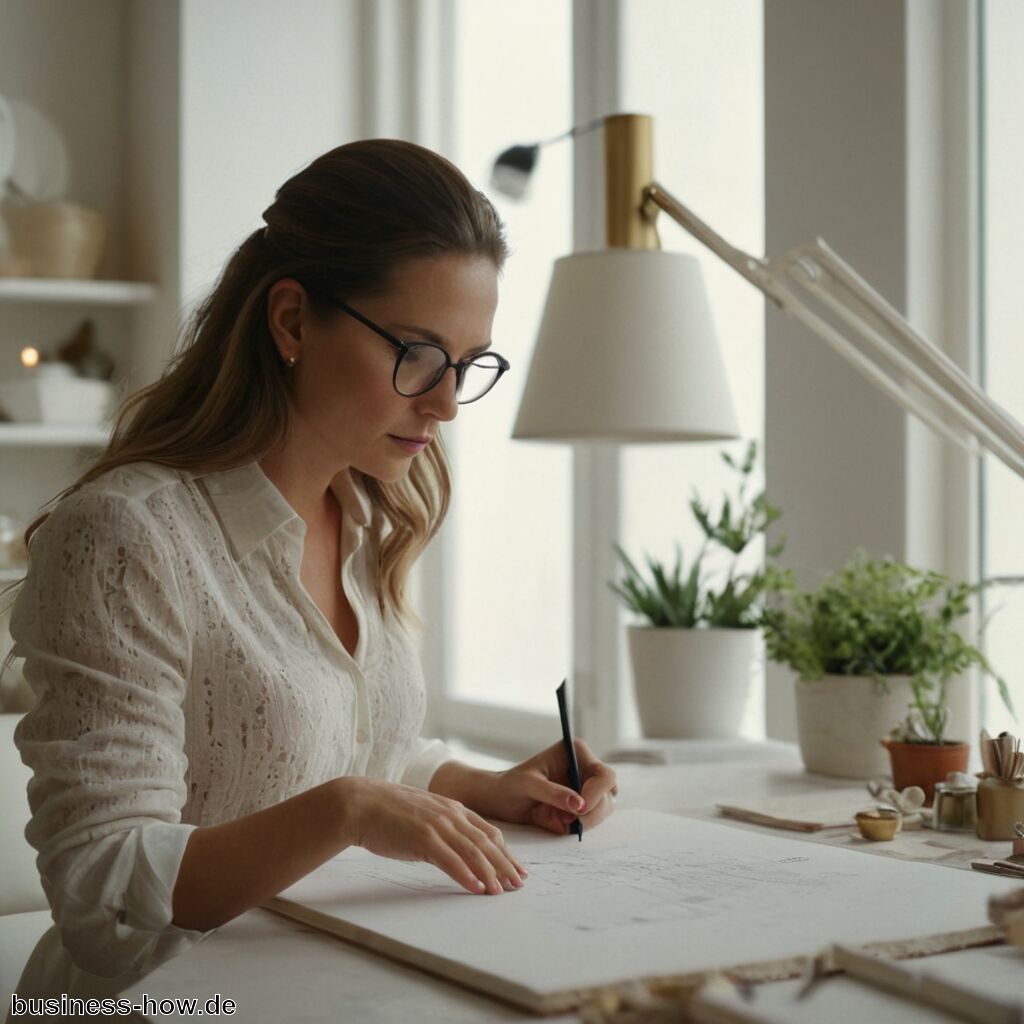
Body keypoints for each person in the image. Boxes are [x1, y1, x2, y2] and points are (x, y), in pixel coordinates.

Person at [7, 139, 618, 1004]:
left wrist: (486, 791)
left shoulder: (368, 515)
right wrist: (350, 810)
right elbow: (103, 889)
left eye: (467, 363)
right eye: (416, 352)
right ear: (292, 321)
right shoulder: (126, 537)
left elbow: (349, 748)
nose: (445, 402)